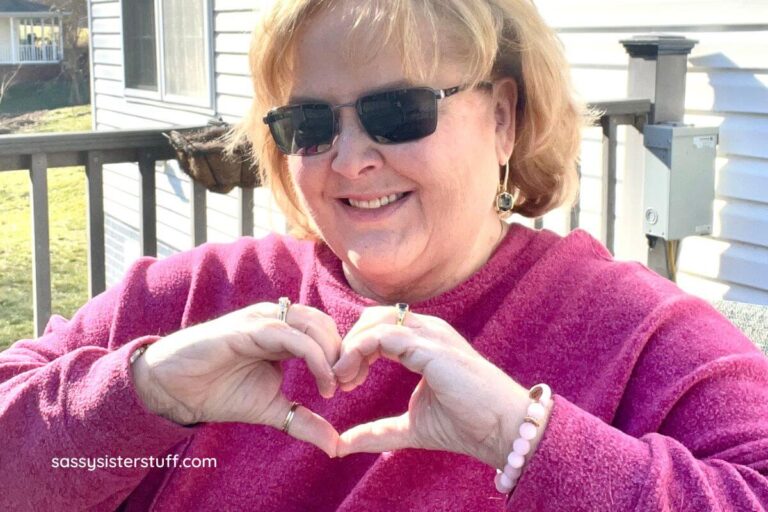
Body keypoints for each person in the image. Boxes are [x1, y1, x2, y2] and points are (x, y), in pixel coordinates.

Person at [2, 0, 767, 510]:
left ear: (503, 119)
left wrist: (524, 438)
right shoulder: (200, 295)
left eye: (397, 111)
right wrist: (142, 395)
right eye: (308, 122)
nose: (349, 158)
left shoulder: (634, 329)